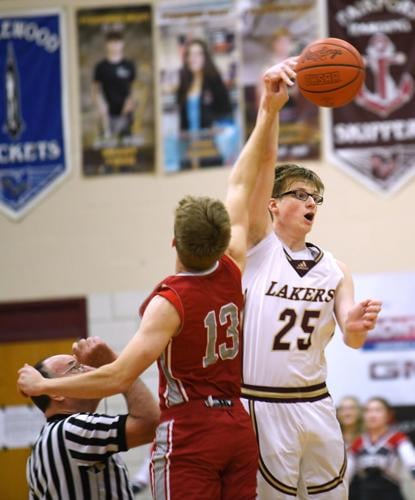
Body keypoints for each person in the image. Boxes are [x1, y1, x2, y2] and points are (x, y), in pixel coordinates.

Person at [17, 59, 295, 499]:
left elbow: (116, 377)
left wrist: (44, 385)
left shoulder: (170, 302)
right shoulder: (234, 264)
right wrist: (269, 111)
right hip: (238, 426)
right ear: (223, 238)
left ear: (173, 243)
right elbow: (245, 183)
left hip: (193, 431)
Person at [239, 57, 382, 498]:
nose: (310, 203)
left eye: (315, 197)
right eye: (299, 195)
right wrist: (271, 108)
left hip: (316, 402)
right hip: (261, 402)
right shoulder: (257, 248)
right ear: (273, 204)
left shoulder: (335, 268)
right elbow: (261, 166)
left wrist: (355, 325)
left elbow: (352, 339)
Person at [24, 336, 159, 499]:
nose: (91, 371)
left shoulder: (42, 445)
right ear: (55, 392)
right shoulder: (74, 429)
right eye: (76, 368)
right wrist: (115, 366)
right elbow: (151, 423)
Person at [348, 397, 415, 500]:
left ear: (388, 415)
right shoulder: (358, 442)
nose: (372, 415)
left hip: (392, 493)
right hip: (365, 494)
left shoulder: (397, 438)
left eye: (377, 410)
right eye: (368, 411)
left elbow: (411, 462)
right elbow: (347, 473)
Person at [177, 38, 232, 133]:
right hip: (189, 141)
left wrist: (217, 127)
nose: (193, 58)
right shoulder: (184, 83)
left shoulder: (214, 81)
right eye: (190, 54)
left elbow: (226, 111)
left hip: (211, 141)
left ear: (205, 57)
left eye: (198, 54)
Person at [92, 30, 137, 141]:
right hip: (106, 116)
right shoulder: (101, 67)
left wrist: (131, 102)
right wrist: (99, 105)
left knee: (126, 147)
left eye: (117, 42)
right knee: (106, 146)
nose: (115, 46)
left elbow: (135, 88)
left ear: (122, 44)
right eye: (112, 43)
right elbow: (95, 90)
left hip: (126, 113)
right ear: (107, 45)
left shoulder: (129, 65)